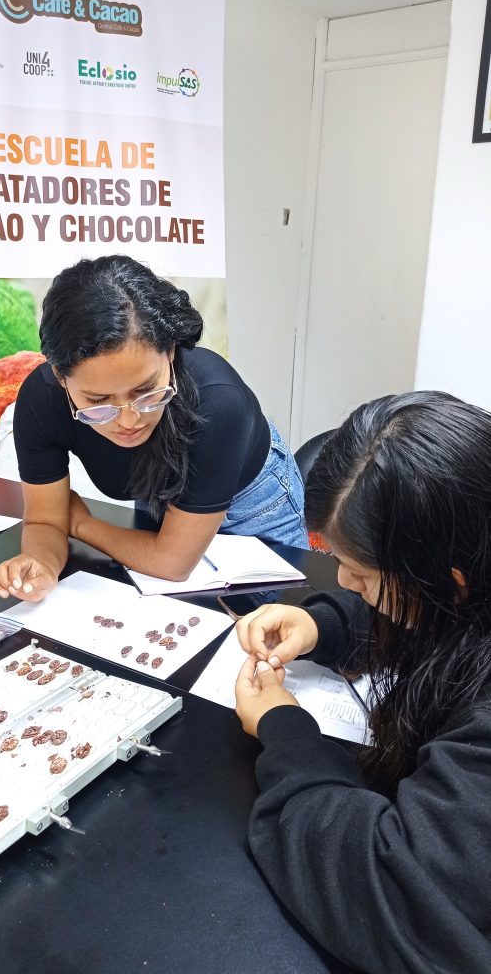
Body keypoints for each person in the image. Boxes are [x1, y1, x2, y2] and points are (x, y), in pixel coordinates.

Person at [234, 391, 491, 973]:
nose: (344, 582)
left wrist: (285, 731)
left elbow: (399, 895)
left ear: (447, 579)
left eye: (364, 575)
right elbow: (434, 616)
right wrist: (319, 624)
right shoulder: (473, 560)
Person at [0, 255, 307, 602]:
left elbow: (171, 562)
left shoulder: (218, 404)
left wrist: (80, 525)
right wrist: (41, 564)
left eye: (145, 392)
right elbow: (46, 521)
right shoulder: (42, 401)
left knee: (266, 630)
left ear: (170, 351)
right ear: (60, 377)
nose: (128, 421)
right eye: (98, 402)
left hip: (250, 506)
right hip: (164, 498)